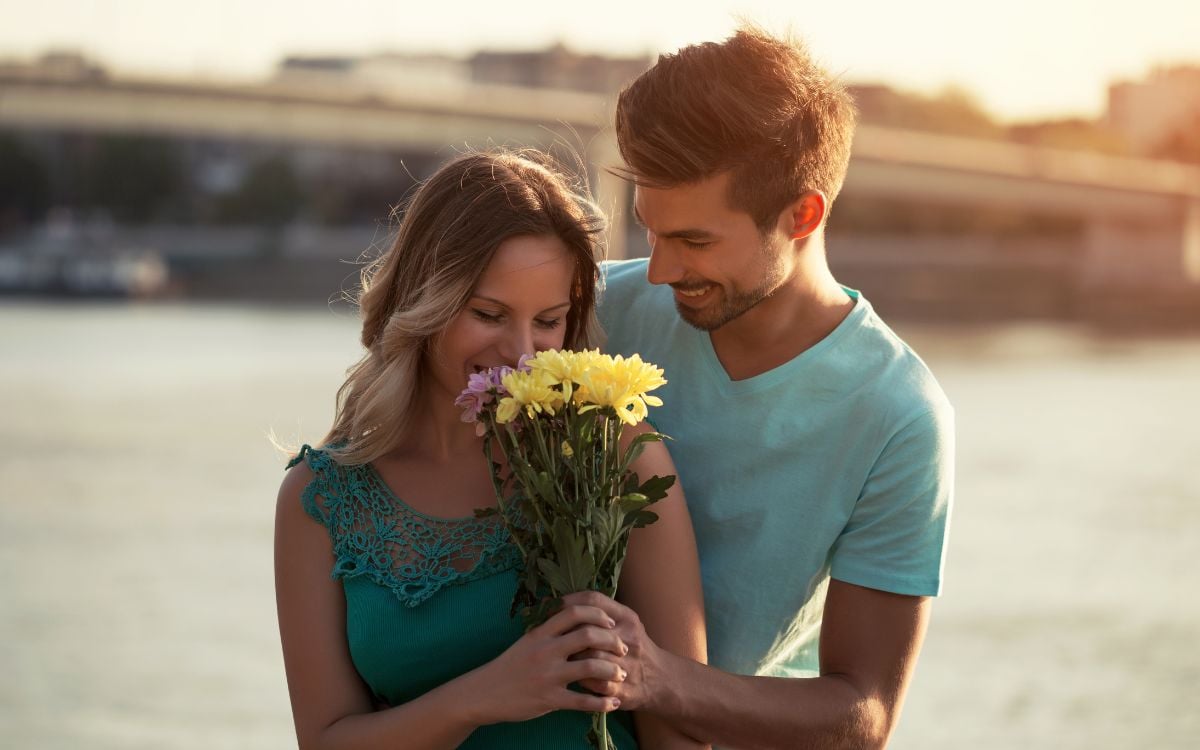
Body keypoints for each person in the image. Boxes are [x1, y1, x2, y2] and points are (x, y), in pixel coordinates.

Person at [565, 27, 955, 749]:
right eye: (652, 232)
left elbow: (863, 713)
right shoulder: (593, 312)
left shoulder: (899, 415)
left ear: (802, 216)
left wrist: (654, 679)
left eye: (695, 241)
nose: (656, 270)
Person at [274, 150, 707, 749]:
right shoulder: (318, 497)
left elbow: (681, 732)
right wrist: (485, 696)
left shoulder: (612, 455)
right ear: (424, 299)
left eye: (549, 321)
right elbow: (324, 742)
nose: (521, 352)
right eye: (488, 314)